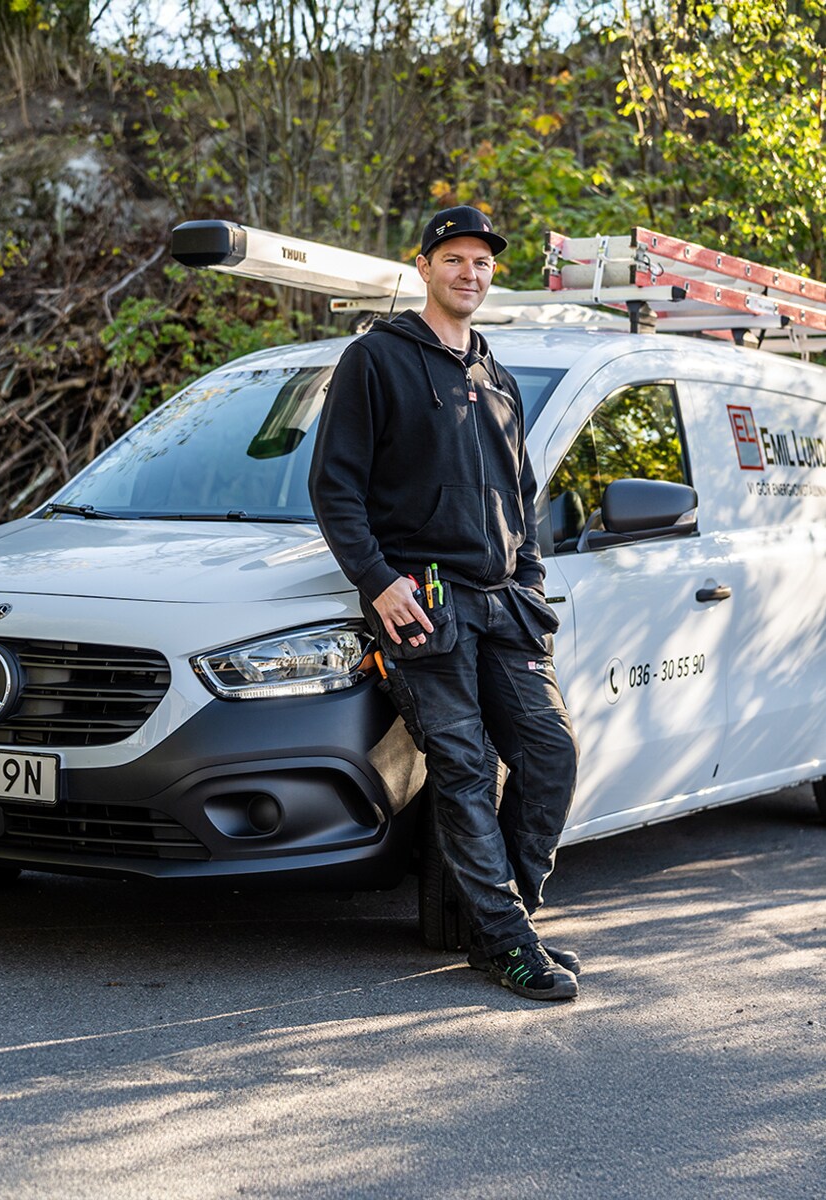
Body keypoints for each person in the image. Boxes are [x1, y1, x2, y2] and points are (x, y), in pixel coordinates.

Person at [309, 205, 580, 1001]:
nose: (470, 272)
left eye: (483, 262)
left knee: (549, 753)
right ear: (422, 266)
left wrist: (527, 576)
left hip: (503, 603)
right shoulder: (375, 359)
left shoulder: (497, 374)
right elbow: (334, 486)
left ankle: (503, 919)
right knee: (462, 768)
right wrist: (379, 581)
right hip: (423, 604)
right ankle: (505, 943)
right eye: (454, 259)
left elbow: (522, 496)